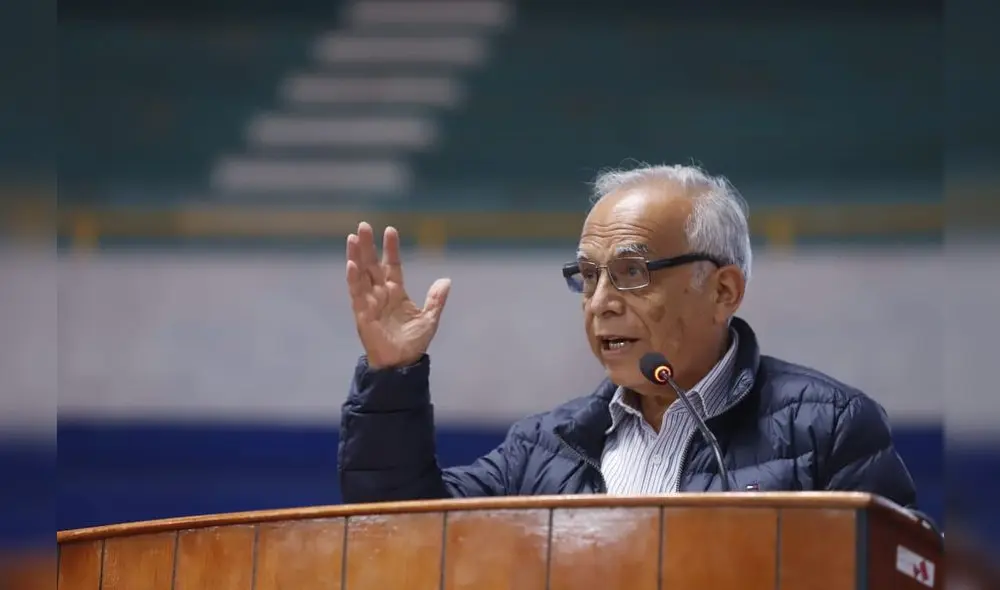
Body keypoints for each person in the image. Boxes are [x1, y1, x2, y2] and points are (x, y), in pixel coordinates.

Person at [337, 163, 919, 511]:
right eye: (588, 277)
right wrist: (392, 375)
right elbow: (403, 525)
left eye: (632, 273)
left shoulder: (828, 429)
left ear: (723, 291)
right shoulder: (544, 450)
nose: (600, 302)